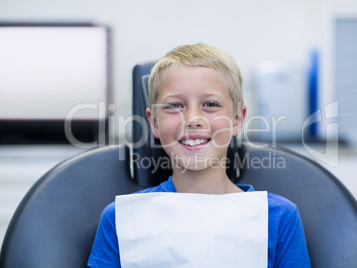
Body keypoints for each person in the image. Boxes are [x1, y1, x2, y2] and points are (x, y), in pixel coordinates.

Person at [87, 43, 311, 267]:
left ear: (236, 120)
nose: (193, 119)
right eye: (175, 105)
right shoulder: (121, 220)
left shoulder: (279, 219)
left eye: (210, 104)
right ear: (154, 122)